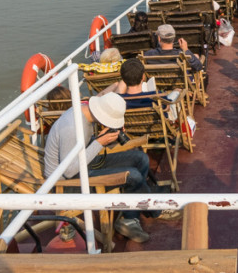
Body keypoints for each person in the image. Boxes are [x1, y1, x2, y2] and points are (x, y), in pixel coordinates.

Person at [42, 92, 160, 243]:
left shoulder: (84, 114)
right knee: (133, 175)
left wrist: (102, 140)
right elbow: (69, 171)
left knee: (141, 159)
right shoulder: (71, 126)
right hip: (66, 183)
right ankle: (148, 211)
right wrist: (99, 143)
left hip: (83, 165)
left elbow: (83, 147)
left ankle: (131, 215)